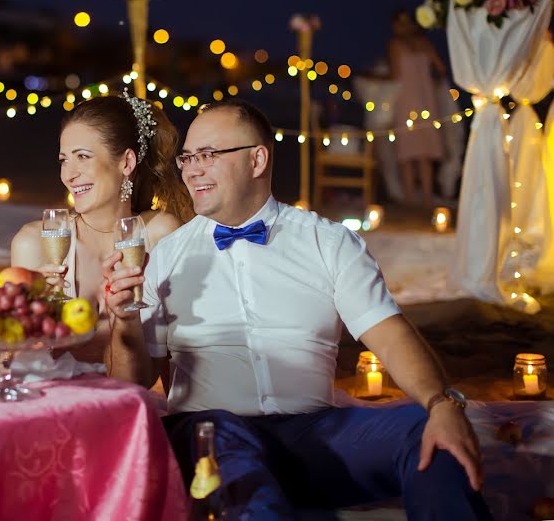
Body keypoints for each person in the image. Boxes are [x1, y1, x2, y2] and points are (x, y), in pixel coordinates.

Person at [101, 99, 491, 519]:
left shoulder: (329, 243)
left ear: (257, 159)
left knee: (428, 434)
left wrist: (441, 404)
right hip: (211, 434)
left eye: (209, 155)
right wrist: (123, 319)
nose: (192, 169)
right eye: (188, 157)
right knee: (229, 448)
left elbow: (390, 334)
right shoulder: (167, 255)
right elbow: (131, 383)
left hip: (314, 435)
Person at [11, 94, 193, 364]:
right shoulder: (34, 243)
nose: (68, 174)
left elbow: (177, 353)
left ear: (126, 163)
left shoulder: (158, 233)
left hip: (136, 398)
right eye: (63, 160)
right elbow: (19, 360)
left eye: (82, 157)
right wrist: (33, 316)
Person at [389, 9, 447, 206]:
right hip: (426, 104)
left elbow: (395, 76)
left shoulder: (395, 44)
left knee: (407, 154)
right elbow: (441, 69)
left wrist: (369, 76)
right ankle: (428, 200)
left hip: (405, 102)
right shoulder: (425, 44)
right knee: (424, 155)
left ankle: (410, 201)